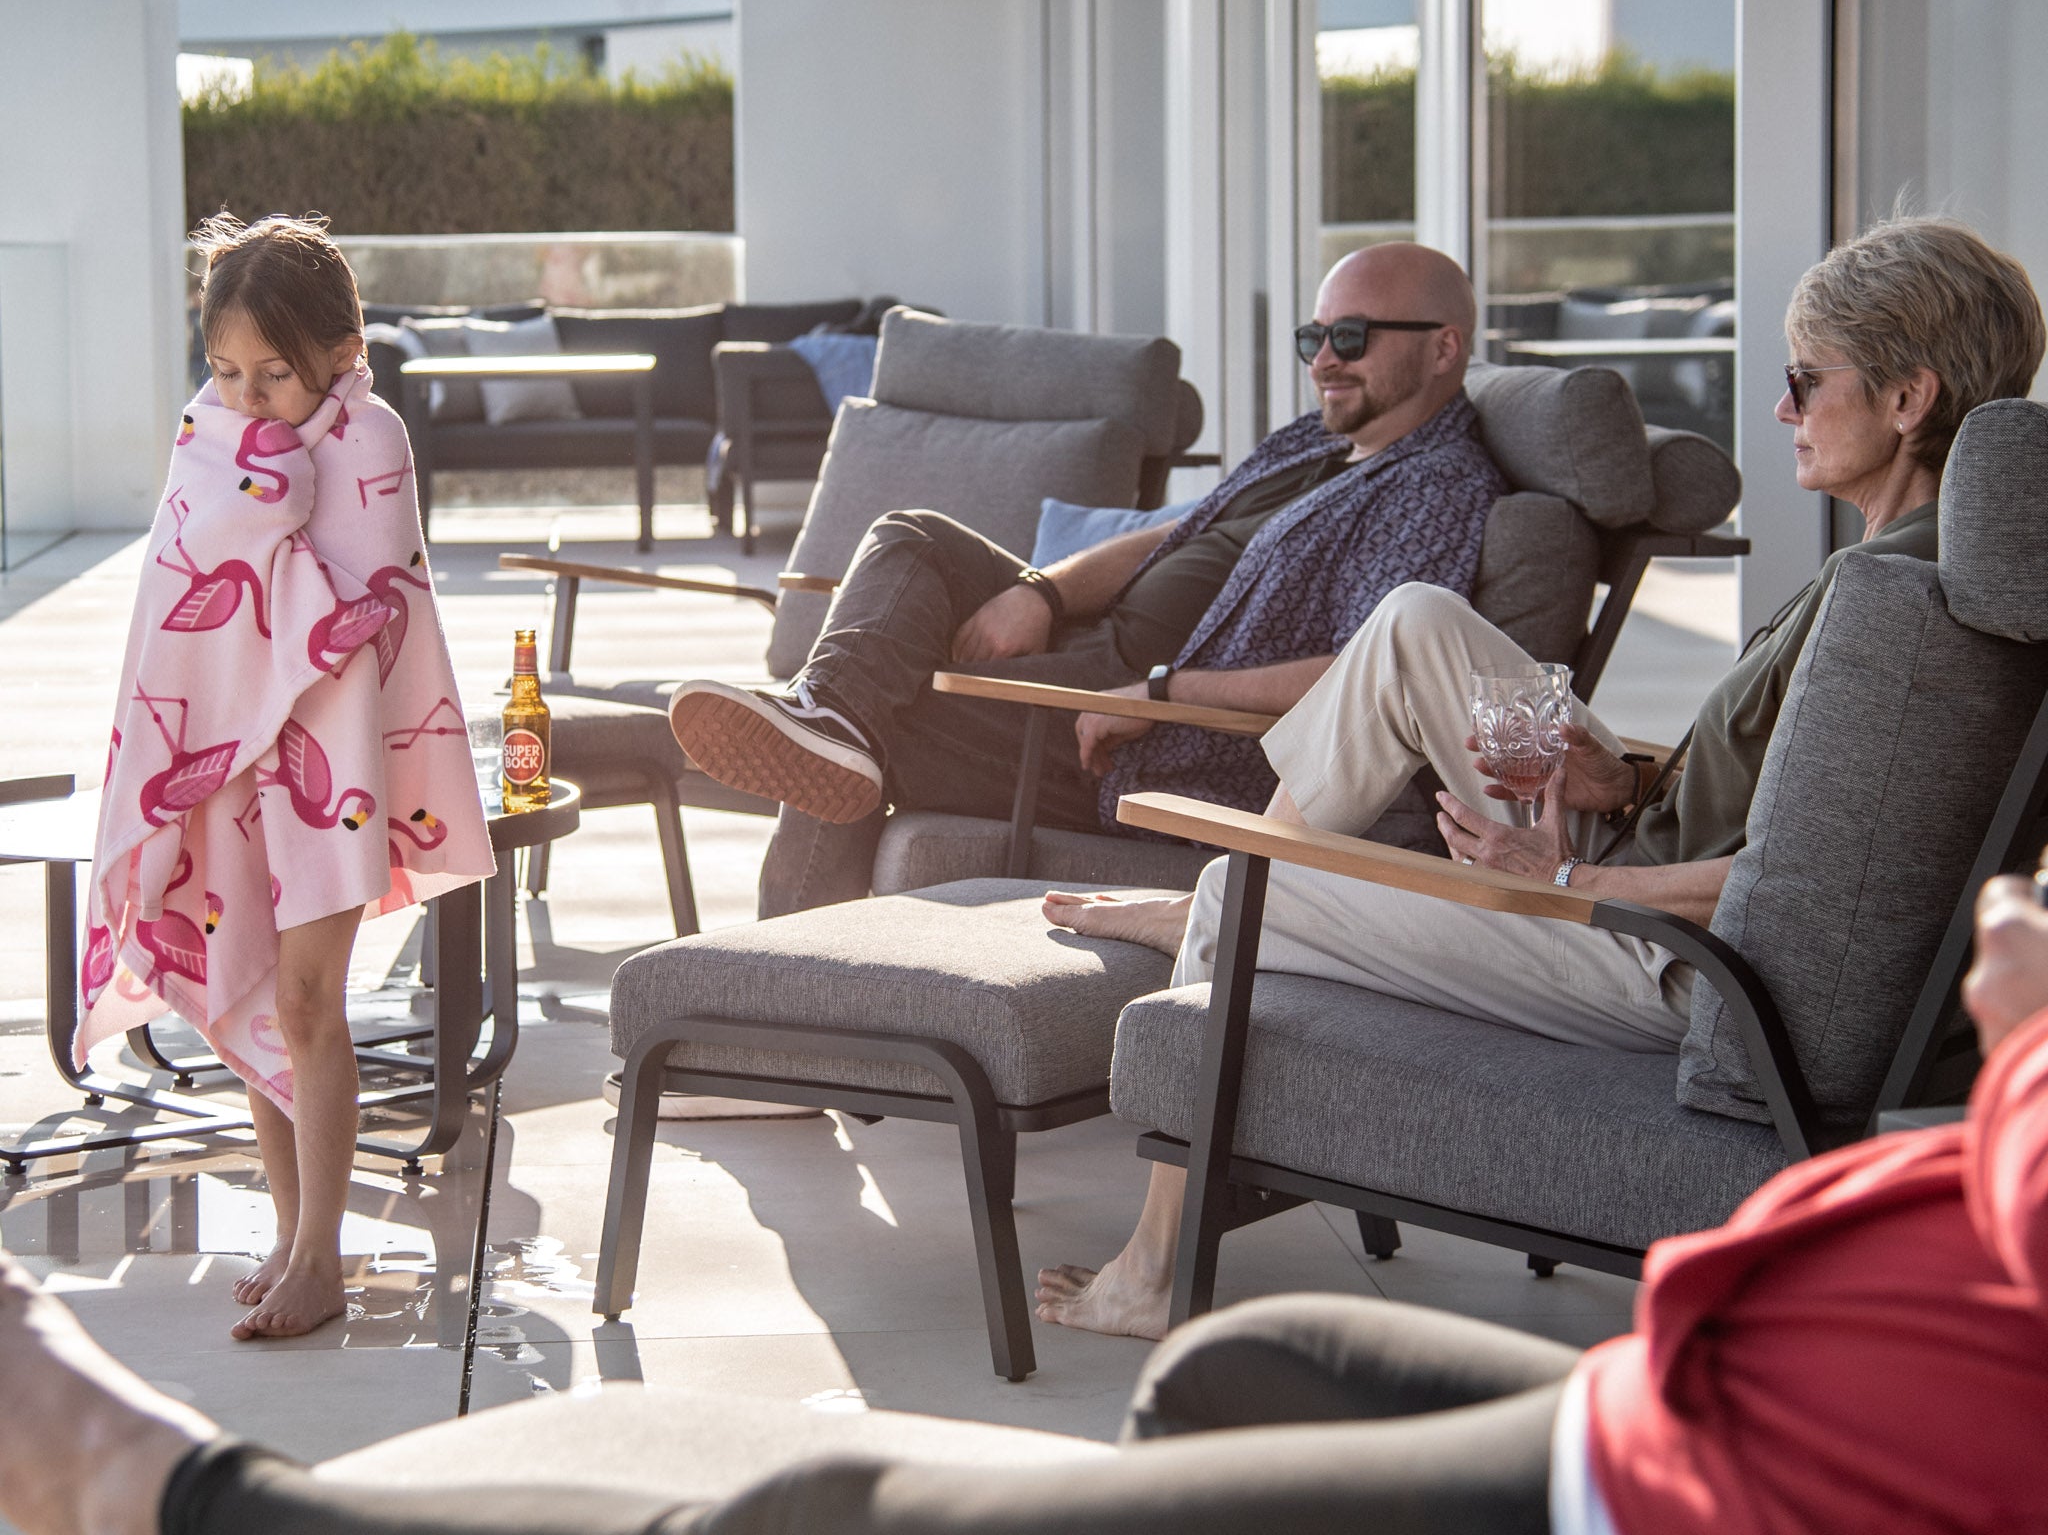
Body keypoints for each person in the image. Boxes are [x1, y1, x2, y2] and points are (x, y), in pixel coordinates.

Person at [4, 870, 2045, 1535]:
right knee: (1252, 1360)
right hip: (1740, 1371)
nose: (1771, 405)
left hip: (1746, 1476)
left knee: (825, 1505)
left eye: (1801, 377)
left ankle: (152, 1484)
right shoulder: (1886, 602)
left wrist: (2024, 1035)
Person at [1036, 214, 2046, 1338]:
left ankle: (1152, 1258)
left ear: (1907, 398)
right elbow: (1783, 810)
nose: (1777, 407)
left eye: (1803, 378)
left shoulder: (1886, 622)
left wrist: (1562, 873)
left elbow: (1797, 891)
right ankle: (1273, 880)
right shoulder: (1900, 581)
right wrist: (1615, 784)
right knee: (1415, 619)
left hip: (1658, 953)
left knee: (1243, 888)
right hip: (1632, 856)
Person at [669, 242, 1506, 917]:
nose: (1324, 359)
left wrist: (1163, 691)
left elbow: (1368, 682)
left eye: (1351, 338)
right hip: (1101, 655)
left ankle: (768, 1025)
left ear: (1443, 347)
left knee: (886, 727)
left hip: (1142, 736)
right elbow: (1175, 534)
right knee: (913, 538)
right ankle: (831, 714)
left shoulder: (1434, 486)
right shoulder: (1312, 444)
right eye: (1311, 337)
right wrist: (1045, 593)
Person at [75, 215, 493, 1341]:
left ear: (342, 354)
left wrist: (265, 497)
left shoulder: (372, 440)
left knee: (311, 1000)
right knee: (256, 985)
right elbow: (178, 587)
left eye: (277, 375)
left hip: (332, 762)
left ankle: (323, 1257)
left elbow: (356, 613)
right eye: (227, 372)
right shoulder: (209, 432)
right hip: (226, 759)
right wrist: (252, 484)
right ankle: (289, 1230)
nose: (250, 400)